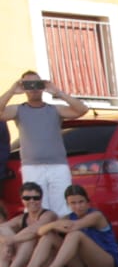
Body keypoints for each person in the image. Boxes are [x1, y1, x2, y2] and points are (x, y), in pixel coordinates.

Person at [1, 72, 90, 200]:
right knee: (37, 207)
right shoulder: (18, 110)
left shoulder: (55, 109)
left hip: (58, 166)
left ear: (43, 85)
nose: (33, 88)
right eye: (28, 85)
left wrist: (58, 92)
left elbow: (82, 110)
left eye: (37, 84)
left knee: (62, 207)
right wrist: (11, 91)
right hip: (31, 167)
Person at [9, 183, 118, 267]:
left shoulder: (96, 216)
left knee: (75, 234)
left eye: (81, 202)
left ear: (87, 202)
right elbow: (40, 231)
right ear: (68, 204)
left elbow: (73, 226)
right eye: (73, 203)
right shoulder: (68, 217)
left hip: (106, 265)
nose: (78, 206)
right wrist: (52, 225)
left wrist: (55, 224)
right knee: (49, 235)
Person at [0, 179, 56, 267]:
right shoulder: (22, 218)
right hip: (24, 261)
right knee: (3, 230)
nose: (32, 201)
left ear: (41, 198)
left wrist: (10, 241)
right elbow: (2, 227)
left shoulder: (49, 215)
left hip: (43, 261)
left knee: (29, 238)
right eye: (27, 198)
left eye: (36, 198)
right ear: (22, 199)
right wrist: (7, 243)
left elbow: (34, 231)